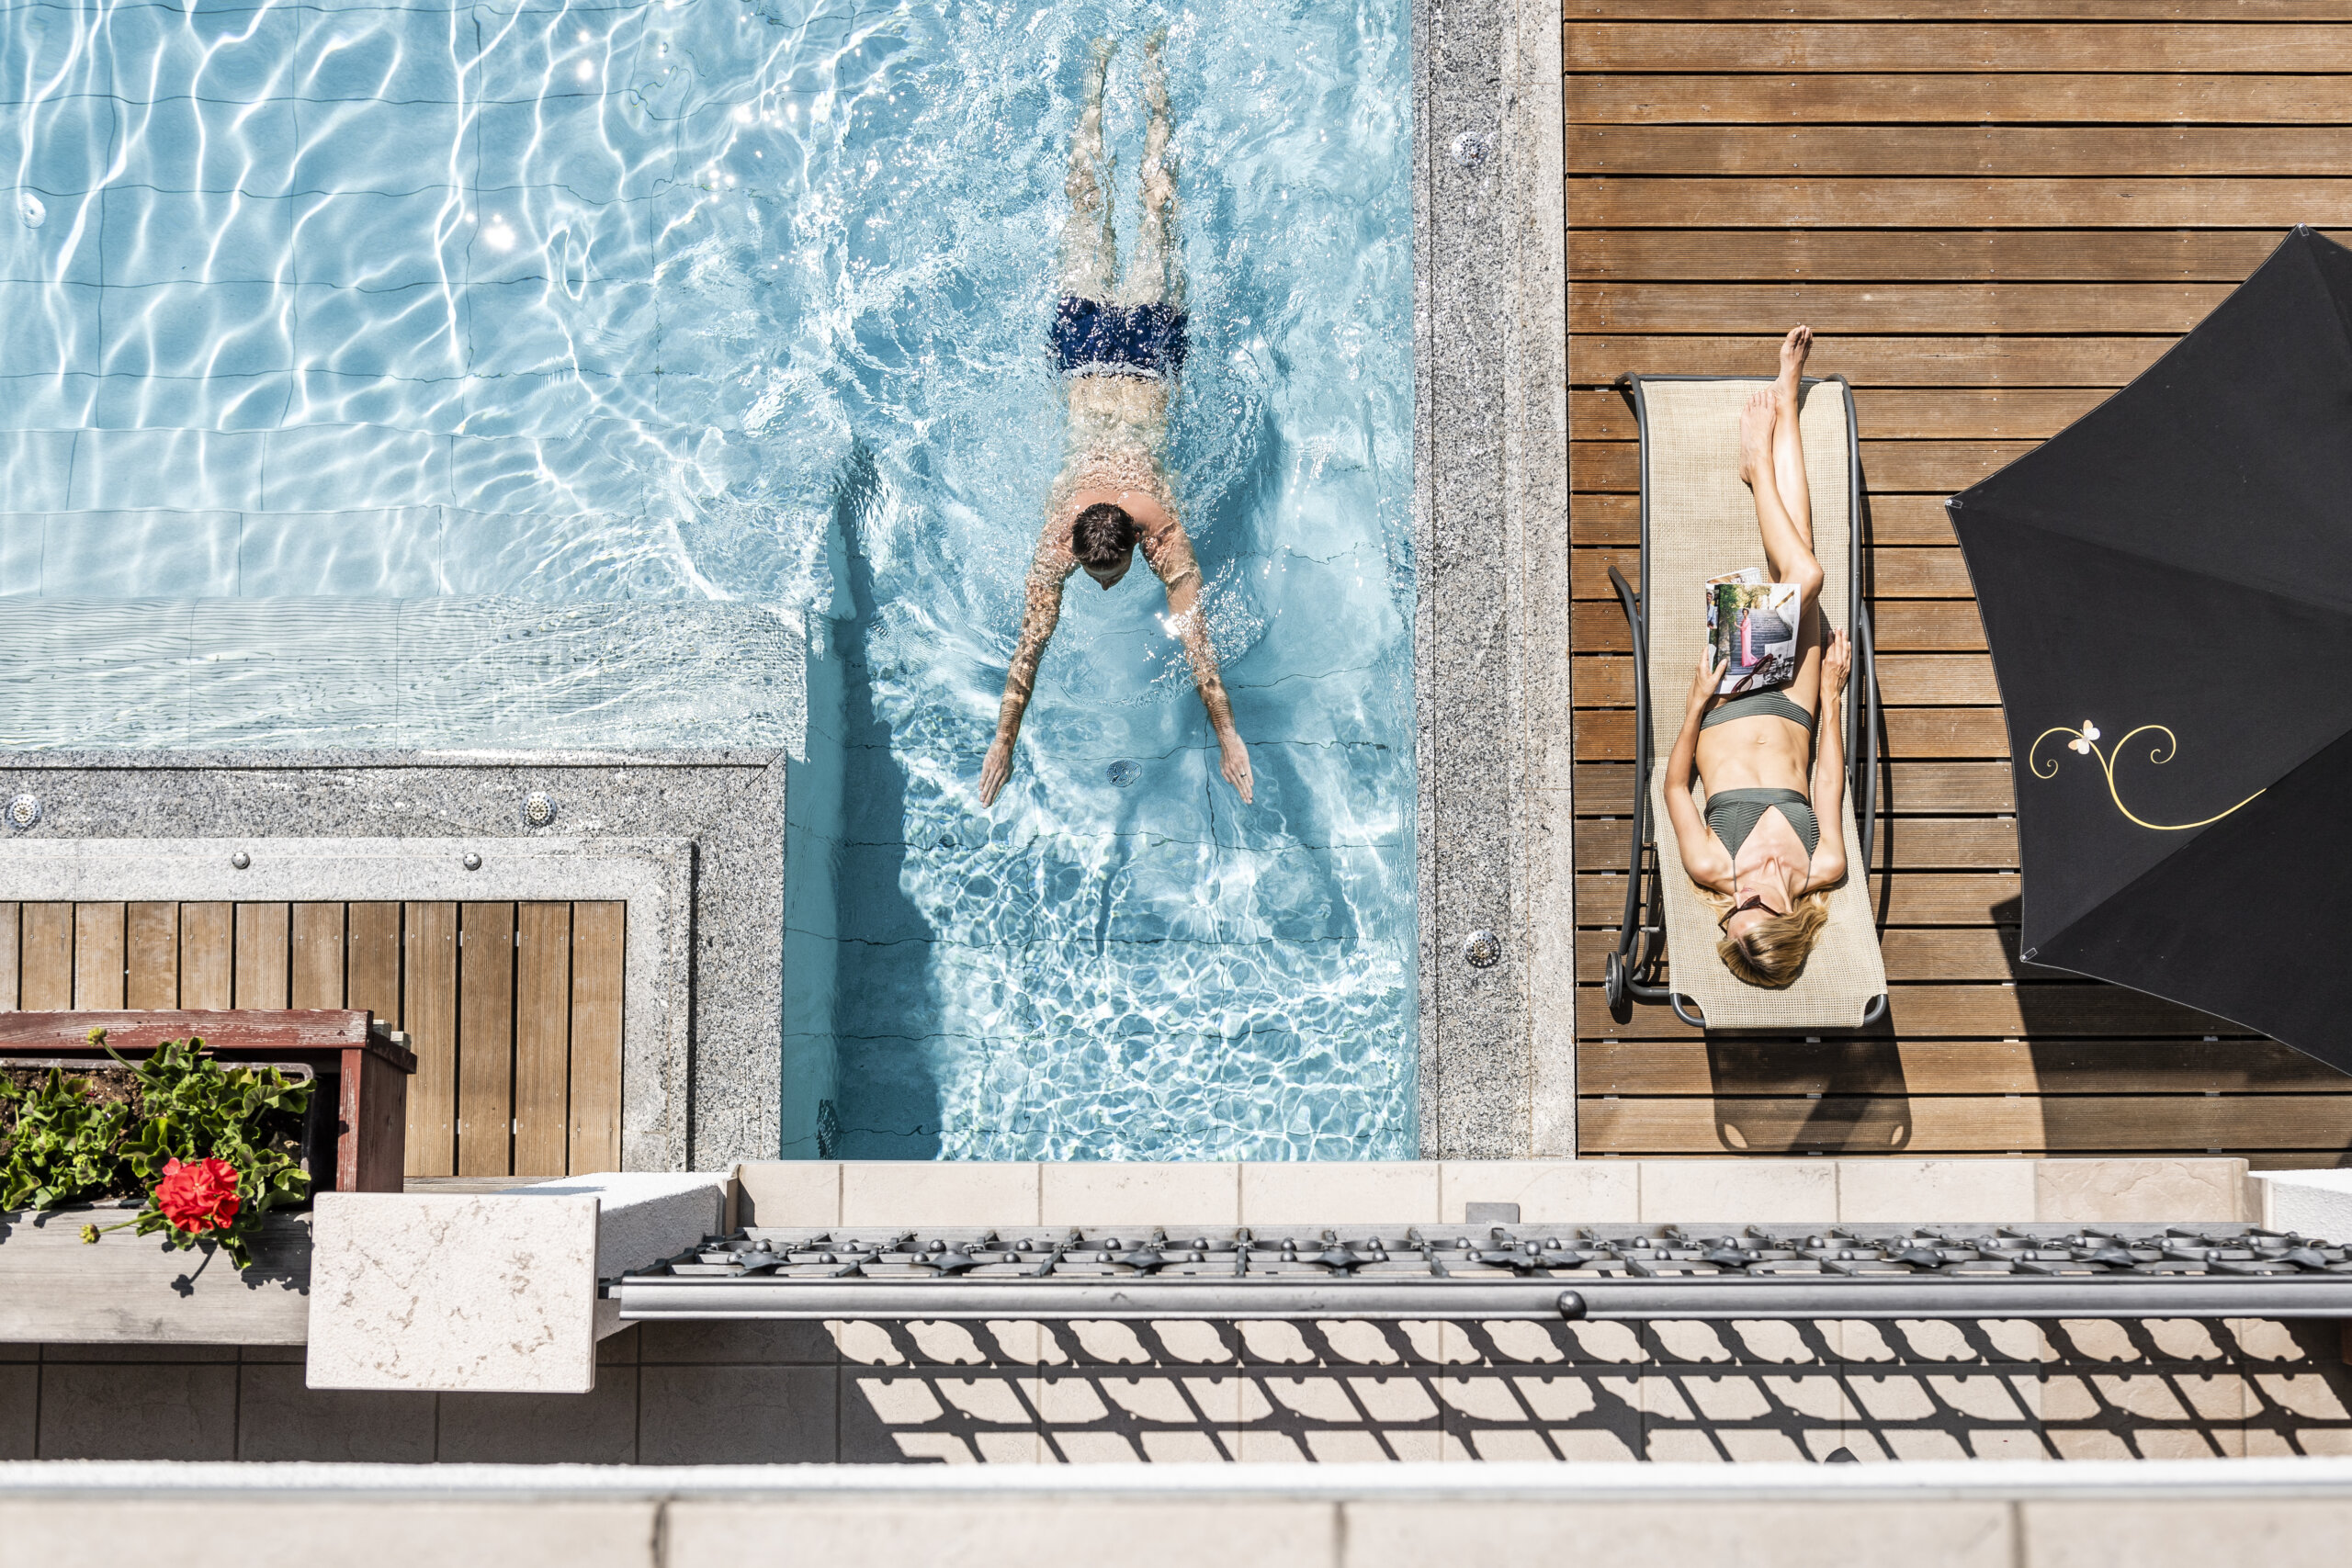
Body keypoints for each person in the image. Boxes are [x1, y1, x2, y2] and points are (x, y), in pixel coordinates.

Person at [978, 35, 1253, 808]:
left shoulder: (1105, 531)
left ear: (1120, 540)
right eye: (1110, 574)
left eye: (1107, 573)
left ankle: (1112, 70)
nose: (1103, 585)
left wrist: (1005, 737)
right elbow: (1195, 643)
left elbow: (1030, 646)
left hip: (1131, 361)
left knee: (1116, 202)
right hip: (1094, 362)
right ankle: (1145, 71)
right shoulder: (1114, 527)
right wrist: (1228, 730)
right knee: (1114, 203)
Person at [1662, 326, 1855, 987]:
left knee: (1804, 569)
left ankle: (1757, 466)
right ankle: (1788, 396)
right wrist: (1830, 697)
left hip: (1731, 691)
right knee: (1800, 553)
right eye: (1755, 908)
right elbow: (1827, 782)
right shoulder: (1823, 865)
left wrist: (1694, 704)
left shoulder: (1712, 868)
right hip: (1800, 704)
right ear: (1789, 917)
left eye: (1731, 915)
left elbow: (1673, 786)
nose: (1740, 898)